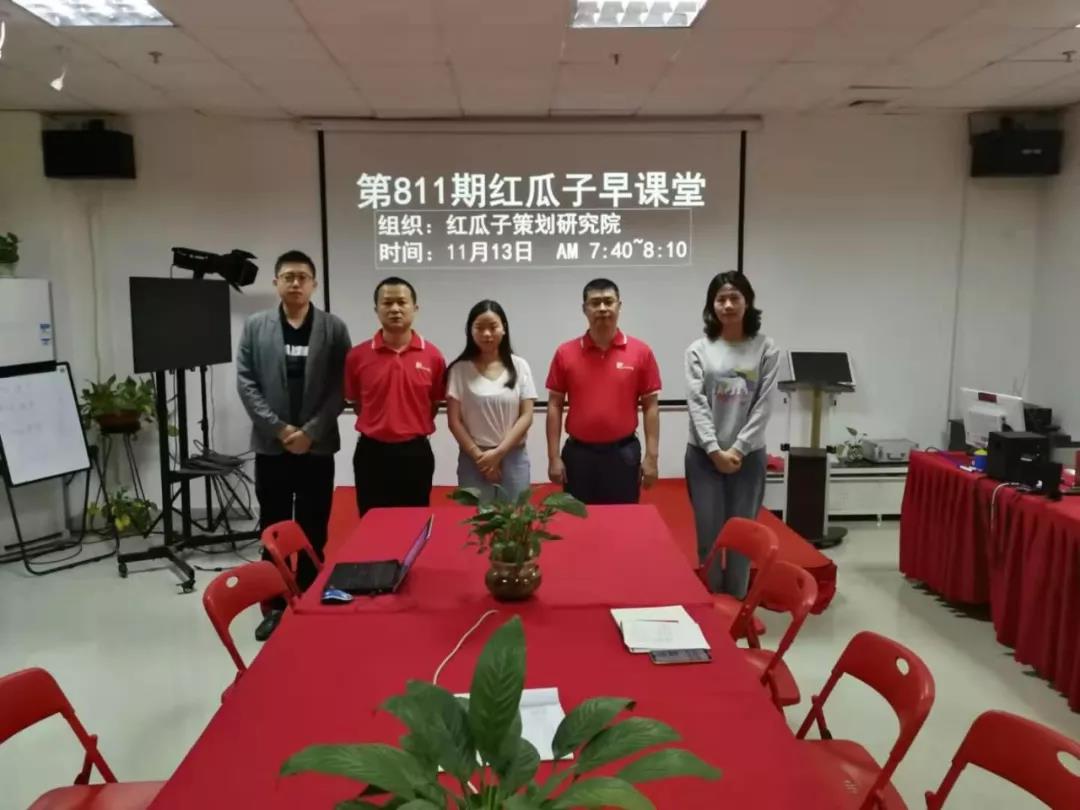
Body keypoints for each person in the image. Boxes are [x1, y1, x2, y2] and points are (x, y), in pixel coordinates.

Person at [236, 250, 351, 640]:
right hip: (273, 447)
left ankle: (309, 597)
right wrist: (280, 429)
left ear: (314, 284)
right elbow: (246, 383)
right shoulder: (256, 326)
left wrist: (310, 432)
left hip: (317, 447)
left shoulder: (334, 329)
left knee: (314, 527)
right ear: (276, 283)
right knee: (274, 528)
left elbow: (340, 386)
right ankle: (275, 605)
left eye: (303, 277)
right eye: (288, 276)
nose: (296, 283)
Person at [684, 270, 779, 597]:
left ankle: (738, 602)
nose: (727, 305)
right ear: (711, 305)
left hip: (748, 458)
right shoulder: (698, 349)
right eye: (720, 299)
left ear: (747, 301)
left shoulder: (766, 348)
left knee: (743, 538)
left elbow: (764, 403)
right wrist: (714, 450)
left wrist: (738, 449)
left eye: (734, 298)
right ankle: (711, 604)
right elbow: (696, 403)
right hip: (703, 457)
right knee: (708, 538)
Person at [546, 278, 661, 504]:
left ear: (619, 306)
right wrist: (553, 457)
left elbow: (650, 406)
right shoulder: (565, 353)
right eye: (595, 303)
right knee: (577, 520)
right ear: (584, 309)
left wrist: (652, 456)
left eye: (608, 301)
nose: (602, 308)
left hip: (623, 454)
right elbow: (555, 405)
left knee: (622, 520)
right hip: (578, 456)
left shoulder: (641, 352)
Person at [345, 277, 446, 517]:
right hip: (371, 454)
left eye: (402, 302)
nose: (395, 309)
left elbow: (433, 404)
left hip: (415, 454)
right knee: (372, 522)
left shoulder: (433, 356)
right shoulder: (357, 356)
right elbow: (357, 403)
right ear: (376, 309)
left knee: (413, 522)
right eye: (387, 303)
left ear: (415, 307)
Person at [446, 300, 536, 502]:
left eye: (493, 327)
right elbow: (454, 421)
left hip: (513, 457)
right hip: (473, 459)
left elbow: (527, 415)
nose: (487, 334)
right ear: (470, 331)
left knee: (515, 518)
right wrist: (480, 458)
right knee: (476, 517)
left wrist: (499, 453)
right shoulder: (459, 370)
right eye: (480, 328)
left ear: (504, 328)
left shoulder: (520, 366)